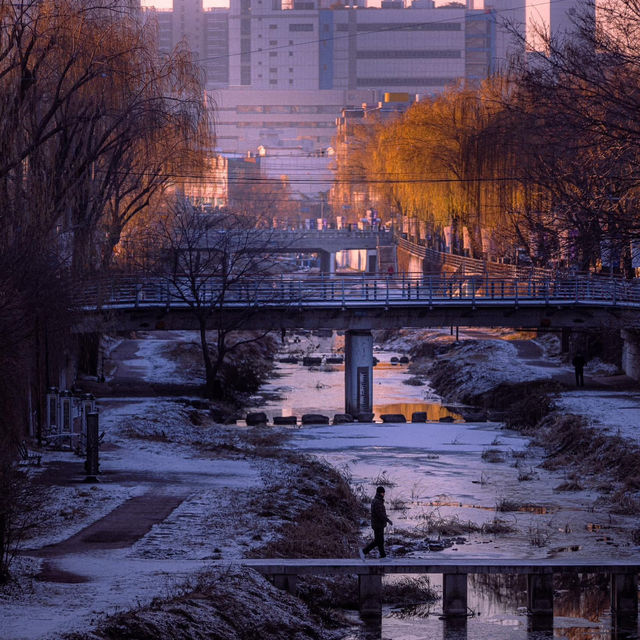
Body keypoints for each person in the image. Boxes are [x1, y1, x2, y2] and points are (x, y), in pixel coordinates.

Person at [360, 486, 393, 560]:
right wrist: (388, 520)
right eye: (383, 492)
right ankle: (364, 551)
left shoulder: (377, 500)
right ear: (380, 493)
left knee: (380, 541)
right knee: (378, 541)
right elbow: (380, 514)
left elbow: (380, 514)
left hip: (377, 524)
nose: (384, 494)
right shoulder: (377, 502)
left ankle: (382, 556)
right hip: (378, 524)